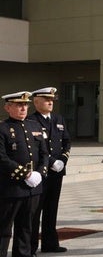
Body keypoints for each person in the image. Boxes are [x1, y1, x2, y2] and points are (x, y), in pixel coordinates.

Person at [1, 91, 48, 257]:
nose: (23, 108)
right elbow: (2, 158)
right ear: (8, 107)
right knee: (4, 229)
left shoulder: (34, 126)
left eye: (25, 105)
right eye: (18, 105)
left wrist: (40, 173)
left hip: (33, 188)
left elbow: (44, 153)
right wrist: (26, 175)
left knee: (26, 228)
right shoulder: (3, 128)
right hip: (11, 188)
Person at [29, 87, 71, 254]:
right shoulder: (31, 121)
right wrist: (52, 161)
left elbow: (66, 141)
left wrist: (63, 160)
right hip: (42, 172)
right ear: (36, 102)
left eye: (52, 99)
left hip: (57, 172)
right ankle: (31, 246)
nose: (50, 102)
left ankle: (50, 244)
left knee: (51, 208)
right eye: (46, 100)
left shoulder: (58, 118)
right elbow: (35, 146)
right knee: (35, 211)